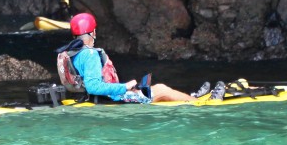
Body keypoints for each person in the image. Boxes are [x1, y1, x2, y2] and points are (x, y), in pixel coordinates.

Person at [57, 13, 202, 103]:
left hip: (95, 98)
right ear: (92, 33)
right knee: (162, 89)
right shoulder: (90, 55)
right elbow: (93, 86)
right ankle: (199, 104)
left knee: (153, 88)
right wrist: (124, 87)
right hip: (110, 100)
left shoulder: (75, 52)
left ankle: (192, 97)